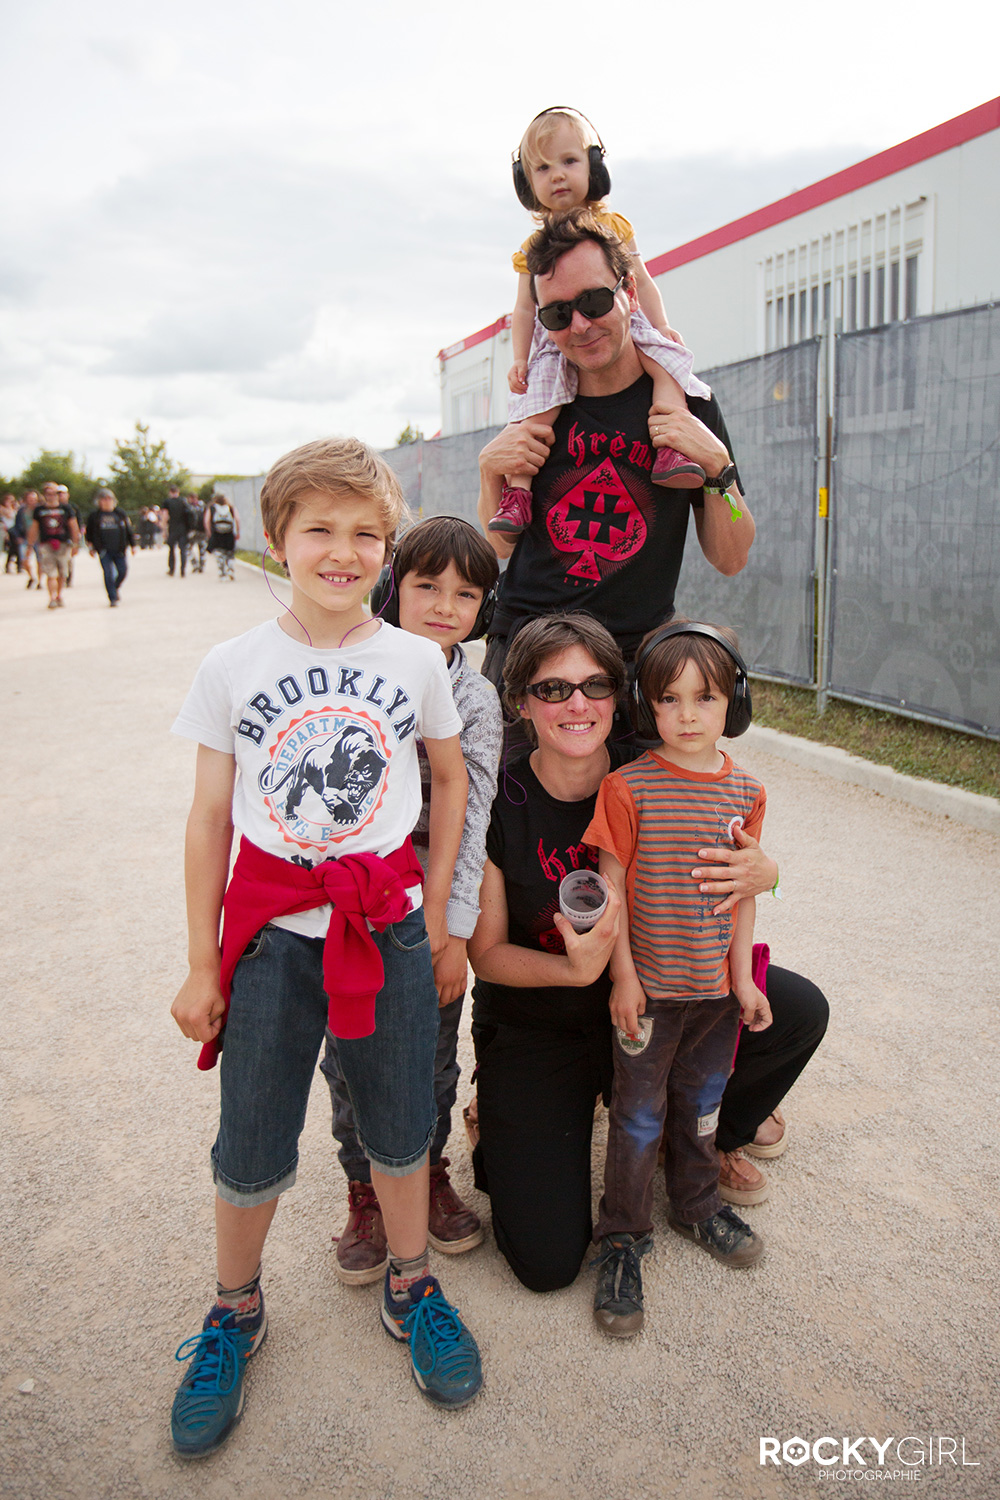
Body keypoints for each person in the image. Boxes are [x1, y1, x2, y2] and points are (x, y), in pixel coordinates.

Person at [168, 437, 482, 1459]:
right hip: (270, 939)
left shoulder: (413, 659)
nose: (342, 551)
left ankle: (411, 1283)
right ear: (278, 539)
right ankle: (233, 1309)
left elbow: (446, 780)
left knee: (399, 1122)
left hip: (382, 926)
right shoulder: (233, 666)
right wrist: (201, 960)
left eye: (364, 534)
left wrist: (434, 918)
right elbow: (211, 816)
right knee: (252, 1133)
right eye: (320, 530)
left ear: (384, 549)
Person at [467, 612, 827, 1295]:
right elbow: (485, 954)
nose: (577, 704)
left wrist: (770, 874)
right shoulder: (498, 800)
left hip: (669, 988)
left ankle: (702, 1148)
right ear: (520, 702)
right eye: (552, 689)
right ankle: (504, 1119)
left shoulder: (660, 767)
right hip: (547, 1018)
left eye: (596, 685)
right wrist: (577, 969)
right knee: (546, 1264)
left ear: (621, 697)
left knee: (798, 1009)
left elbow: (738, 860)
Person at [321, 515, 503, 1282]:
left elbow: (475, 817)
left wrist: (456, 929)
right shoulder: (350, 669)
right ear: (395, 587)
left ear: (483, 609)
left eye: (465, 593)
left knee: (431, 1058)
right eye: (427, 585)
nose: (443, 604)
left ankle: (425, 1173)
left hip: (428, 908)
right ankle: (364, 1191)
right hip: (352, 907)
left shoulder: (477, 698)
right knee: (348, 1060)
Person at [584, 621, 770, 1337]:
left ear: (735, 703)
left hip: (714, 998)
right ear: (645, 707)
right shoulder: (627, 788)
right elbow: (613, 886)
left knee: (700, 1105)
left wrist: (743, 982)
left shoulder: (747, 791)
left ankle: (695, 1203)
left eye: (707, 697)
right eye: (669, 699)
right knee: (635, 1118)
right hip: (651, 994)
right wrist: (621, 979)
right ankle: (623, 1235)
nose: (688, 714)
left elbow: (744, 891)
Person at [477, 210, 755, 687]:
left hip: (630, 663)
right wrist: (489, 473)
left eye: (594, 300)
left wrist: (719, 471)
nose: (580, 325)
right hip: (526, 651)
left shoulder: (688, 407)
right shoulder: (535, 408)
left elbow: (730, 559)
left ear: (629, 291)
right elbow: (499, 546)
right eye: (558, 314)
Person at [492, 108, 711, 537]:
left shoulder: (611, 226)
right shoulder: (532, 246)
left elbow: (642, 282)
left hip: (625, 323)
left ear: (594, 167)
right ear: (527, 183)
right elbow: (523, 309)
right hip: (554, 342)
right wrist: (520, 358)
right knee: (534, 412)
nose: (557, 176)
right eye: (542, 168)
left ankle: (670, 447)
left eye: (570, 162)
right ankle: (517, 493)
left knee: (668, 364)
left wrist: (660, 325)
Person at [27, 481, 80, 609]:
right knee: (51, 573)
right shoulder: (39, 510)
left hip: (63, 544)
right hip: (46, 544)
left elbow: (73, 526)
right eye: (49, 493)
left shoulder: (66, 509)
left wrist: (76, 544)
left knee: (62, 573)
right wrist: (29, 545)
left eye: (55, 493)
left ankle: (59, 595)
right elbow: (34, 528)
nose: (52, 496)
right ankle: (52, 598)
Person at [84, 487, 135, 606]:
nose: (107, 501)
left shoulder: (120, 513)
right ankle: (112, 597)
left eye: (109, 499)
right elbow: (89, 532)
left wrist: (133, 545)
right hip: (104, 550)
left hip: (119, 548)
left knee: (123, 571)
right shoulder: (95, 516)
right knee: (108, 573)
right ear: (99, 501)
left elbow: (128, 530)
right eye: (104, 499)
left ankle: (114, 588)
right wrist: (91, 547)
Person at [206, 492, 238, 579]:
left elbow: (207, 521)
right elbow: (237, 520)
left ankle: (222, 572)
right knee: (230, 553)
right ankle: (231, 569)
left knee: (219, 553)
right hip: (229, 534)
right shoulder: (231, 508)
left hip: (217, 534)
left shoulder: (212, 508)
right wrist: (237, 532)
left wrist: (209, 533)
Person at [161, 485, 192, 577]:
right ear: (178, 492)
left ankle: (172, 569)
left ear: (170, 492)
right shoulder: (183, 501)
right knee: (183, 550)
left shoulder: (167, 502)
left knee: (171, 549)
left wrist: (163, 530)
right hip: (183, 528)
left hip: (173, 527)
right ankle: (183, 570)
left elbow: (165, 516)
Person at [12, 492, 39, 587]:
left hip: (38, 538)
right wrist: (18, 536)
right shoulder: (22, 511)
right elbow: (17, 524)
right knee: (24, 561)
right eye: (30, 499)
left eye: (34, 499)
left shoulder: (39, 510)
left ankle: (40, 581)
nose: (32, 501)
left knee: (40, 560)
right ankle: (32, 577)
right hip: (25, 538)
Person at [186, 493, 207, 573]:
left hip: (193, 531)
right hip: (202, 531)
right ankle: (201, 565)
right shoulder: (203, 507)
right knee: (202, 549)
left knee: (188, 548)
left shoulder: (189, 507)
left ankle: (195, 564)